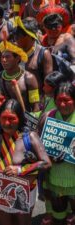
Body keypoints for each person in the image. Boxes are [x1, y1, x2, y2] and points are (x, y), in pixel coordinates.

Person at [0, 99, 51, 225]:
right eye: (3, 118)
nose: (7, 123)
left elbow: (46, 163)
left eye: (11, 119)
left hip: (23, 193)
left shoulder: (30, 138)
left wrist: (20, 170)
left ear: (19, 118)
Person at [39, 82, 75, 225]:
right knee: (58, 213)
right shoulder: (49, 116)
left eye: (66, 100)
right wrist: (48, 156)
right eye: (59, 100)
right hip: (54, 177)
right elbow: (37, 144)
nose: (62, 104)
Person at [0, 40, 40, 112]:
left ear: (17, 58)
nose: (4, 60)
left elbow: (35, 107)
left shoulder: (29, 78)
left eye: (7, 57)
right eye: (2, 57)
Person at [14, 17, 53, 89]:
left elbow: (49, 84)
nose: (15, 39)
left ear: (28, 36)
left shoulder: (44, 54)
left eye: (17, 36)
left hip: (38, 98)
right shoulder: (14, 52)